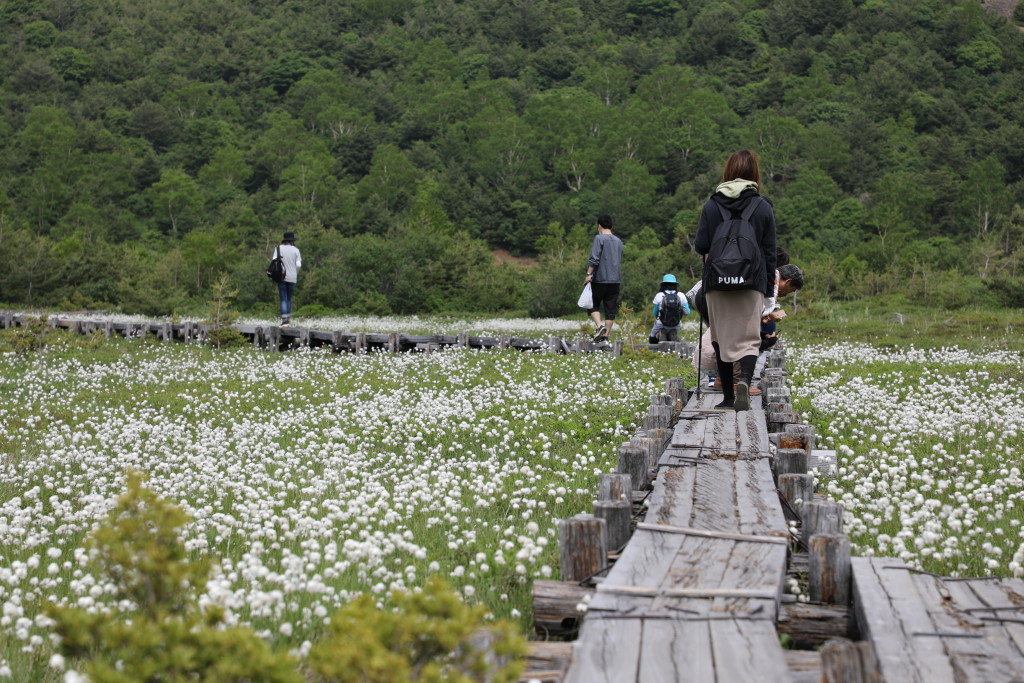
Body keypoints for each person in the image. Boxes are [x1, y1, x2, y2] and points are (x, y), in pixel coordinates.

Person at [694, 150, 777, 412]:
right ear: (755, 174)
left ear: (728, 172)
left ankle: (728, 398)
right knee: (749, 338)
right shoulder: (762, 206)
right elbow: (769, 252)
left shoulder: (711, 205)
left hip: (717, 281)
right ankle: (744, 383)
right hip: (751, 280)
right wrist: (768, 291)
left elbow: (701, 245)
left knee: (721, 337)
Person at [754, 263, 805, 380]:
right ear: (787, 282)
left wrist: (766, 315)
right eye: (790, 290)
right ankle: (739, 381)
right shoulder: (769, 285)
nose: (786, 294)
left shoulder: (765, 277)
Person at [584, 215, 623, 341]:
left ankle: (600, 326)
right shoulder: (618, 241)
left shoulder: (599, 238)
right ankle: (605, 337)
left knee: (592, 303)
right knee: (610, 309)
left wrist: (589, 274)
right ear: (612, 226)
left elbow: (594, 258)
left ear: (599, 226)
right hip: (615, 280)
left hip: (600, 278)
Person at [648, 274, 689, 343]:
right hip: (676, 324)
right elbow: (687, 312)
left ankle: (661, 334)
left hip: (661, 323)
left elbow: (655, 313)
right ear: (675, 284)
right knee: (674, 336)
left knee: (652, 337)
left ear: (663, 285)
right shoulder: (681, 295)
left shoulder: (659, 295)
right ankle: (672, 334)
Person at [275, 231, 302, 327]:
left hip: (281, 276)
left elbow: (274, 261)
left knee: (283, 299)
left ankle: (284, 320)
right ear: (292, 240)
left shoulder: (278, 248)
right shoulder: (296, 250)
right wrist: (295, 272)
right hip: (292, 277)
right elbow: (298, 264)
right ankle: (288, 320)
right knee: (289, 298)